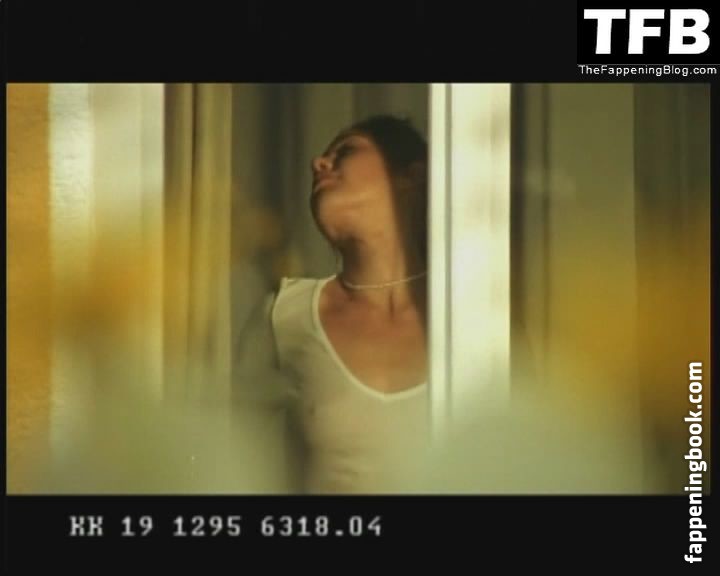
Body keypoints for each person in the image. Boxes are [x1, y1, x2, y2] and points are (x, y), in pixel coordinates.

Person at [235, 115, 431, 494]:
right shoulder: (285, 315)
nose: (318, 163)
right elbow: (231, 468)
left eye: (346, 150)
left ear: (411, 176)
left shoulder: (476, 314)